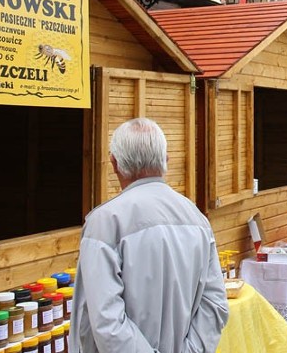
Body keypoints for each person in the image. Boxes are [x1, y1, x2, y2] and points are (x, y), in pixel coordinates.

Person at [70, 118, 229, 353]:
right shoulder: (196, 218)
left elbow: (106, 321)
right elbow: (215, 304)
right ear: (166, 160)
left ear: (114, 164)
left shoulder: (105, 222)